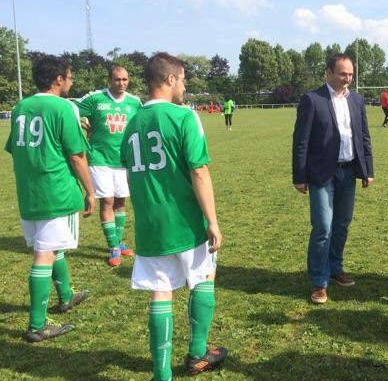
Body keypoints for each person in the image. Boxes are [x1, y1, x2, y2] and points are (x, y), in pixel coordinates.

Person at [121, 53, 227, 380]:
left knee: (160, 291)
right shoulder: (184, 116)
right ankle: (197, 352)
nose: (184, 87)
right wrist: (212, 221)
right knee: (204, 277)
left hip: (150, 225)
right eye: (182, 80)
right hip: (185, 222)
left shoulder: (132, 123)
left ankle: (162, 374)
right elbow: (199, 171)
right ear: (169, 79)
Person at [5, 55, 94, 342]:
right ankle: (37, 324)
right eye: (69, 77)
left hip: (29, 192)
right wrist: (90, 191)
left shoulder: (20, 107)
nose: (71, 82)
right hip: (55, 191)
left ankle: (66, 295)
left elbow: (15, 148)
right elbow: (77, 156)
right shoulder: (62, 107)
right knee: (44, 254)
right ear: (58, 79)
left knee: (51, 246)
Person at [292, 53, 374, 304]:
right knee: (323, 228)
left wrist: (368, 170)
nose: (347, 78)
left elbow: (364, 136)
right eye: (342, 74)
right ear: (328, 72)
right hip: (321, 174)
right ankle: (319, 281)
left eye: (350, 74)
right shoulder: (312, 100)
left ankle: (335, 267)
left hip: (348, 172)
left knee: (341, 225)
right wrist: (299, 176)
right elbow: (301, 141)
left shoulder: (356, 100)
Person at [75, 66, 142, 267]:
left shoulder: (134, 102)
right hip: (100, 159)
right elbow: (70, 110)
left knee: (120, 202)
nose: (121, 83)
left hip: (124, 160)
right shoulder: (95, 99)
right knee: (107, 201)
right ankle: (113, 247)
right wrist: (83, 125)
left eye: (125, 79)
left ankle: (119, 242)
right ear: (109, 80)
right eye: (117, 79)